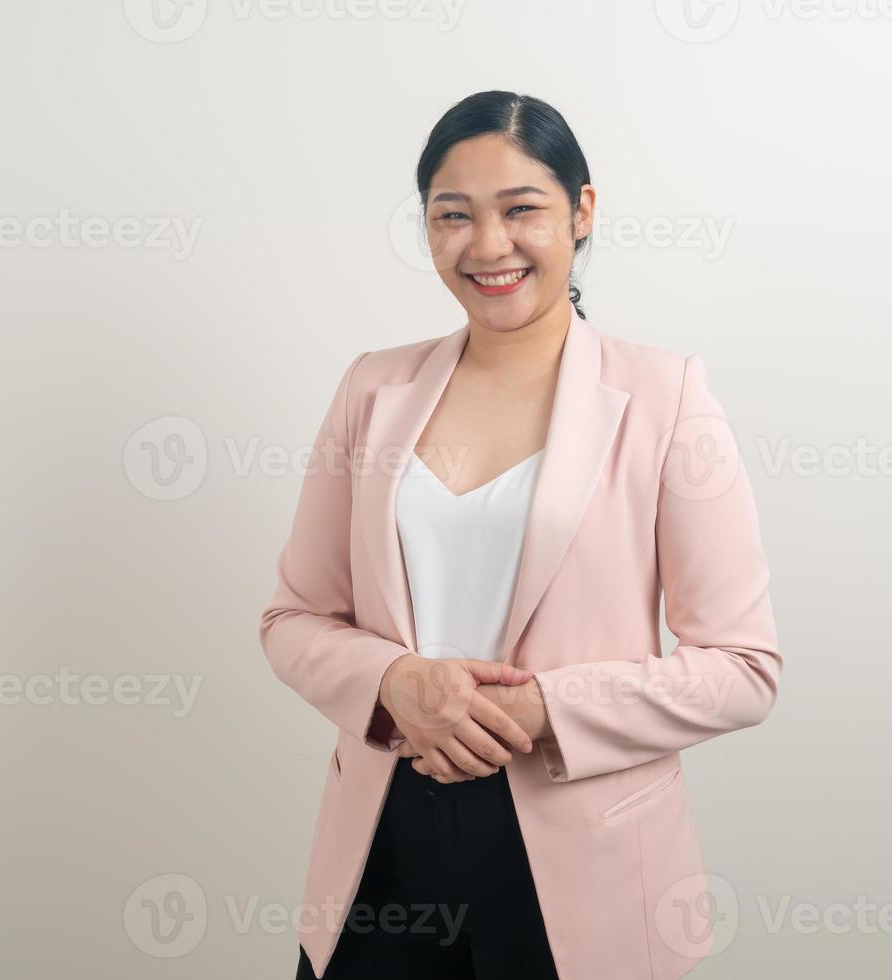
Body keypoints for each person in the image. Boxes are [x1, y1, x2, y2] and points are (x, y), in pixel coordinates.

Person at [262, 90, 783, 980]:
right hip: (382, 855)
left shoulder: (666, 396)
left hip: (588, 865)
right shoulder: (371, 388)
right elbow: (294, 618)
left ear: (581, 212)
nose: (488, 245)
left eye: (522, 209)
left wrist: (544, 708)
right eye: (452, 215)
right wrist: (396, 681)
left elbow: (743, 669)